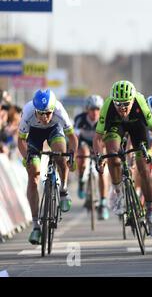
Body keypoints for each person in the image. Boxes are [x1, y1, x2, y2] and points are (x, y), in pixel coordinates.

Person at [93, 80, 152, 238]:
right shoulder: (108, 106)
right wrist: (99, 156)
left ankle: (150, 213)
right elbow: (98, 137)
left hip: (137, 127)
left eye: (126, 104)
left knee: (143, 168)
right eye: (118, 104)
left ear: (132, 100)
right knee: (113, 155)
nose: (122, 108)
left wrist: (150, 151)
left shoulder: (140, 103)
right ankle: (119, 194)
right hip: (116, 126)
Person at [18, 89, 78, 245]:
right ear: (35, 110)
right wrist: (26, 158)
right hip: (34, 135)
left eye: (48, 113)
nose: (44, 117)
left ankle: (63, 190)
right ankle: (36, 225)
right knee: (34, 175)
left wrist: (71, 155)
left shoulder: (59, 111)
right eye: (41, 113)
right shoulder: (28, 112)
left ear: (53, 110)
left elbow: (72, 137)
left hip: (54, 131)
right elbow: (20, 141)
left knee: (60, 154)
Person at [74, 95, 110, 220]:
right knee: (82, 153)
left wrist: (103, 153)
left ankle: (103, 203)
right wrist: (74, 153)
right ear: (87, 110)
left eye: (97, 109)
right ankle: (81, 180)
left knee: (102, 172)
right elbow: (76, 138)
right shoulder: (80, 119)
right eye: (92, 109)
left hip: (98, 146)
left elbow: (106, 139)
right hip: (84, 145)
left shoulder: (103, 119)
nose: (94, 112)